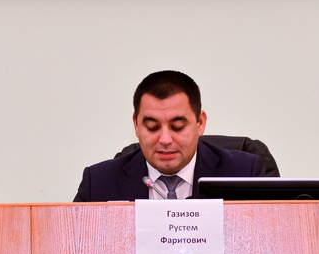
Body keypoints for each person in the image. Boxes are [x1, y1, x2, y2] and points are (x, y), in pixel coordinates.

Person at [74, 70, 270, 201]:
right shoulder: (98, 183)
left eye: (177, 127)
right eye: (152, 127)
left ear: (200, 123)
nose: (165, 140)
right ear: (136, 124)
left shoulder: (245, 174)